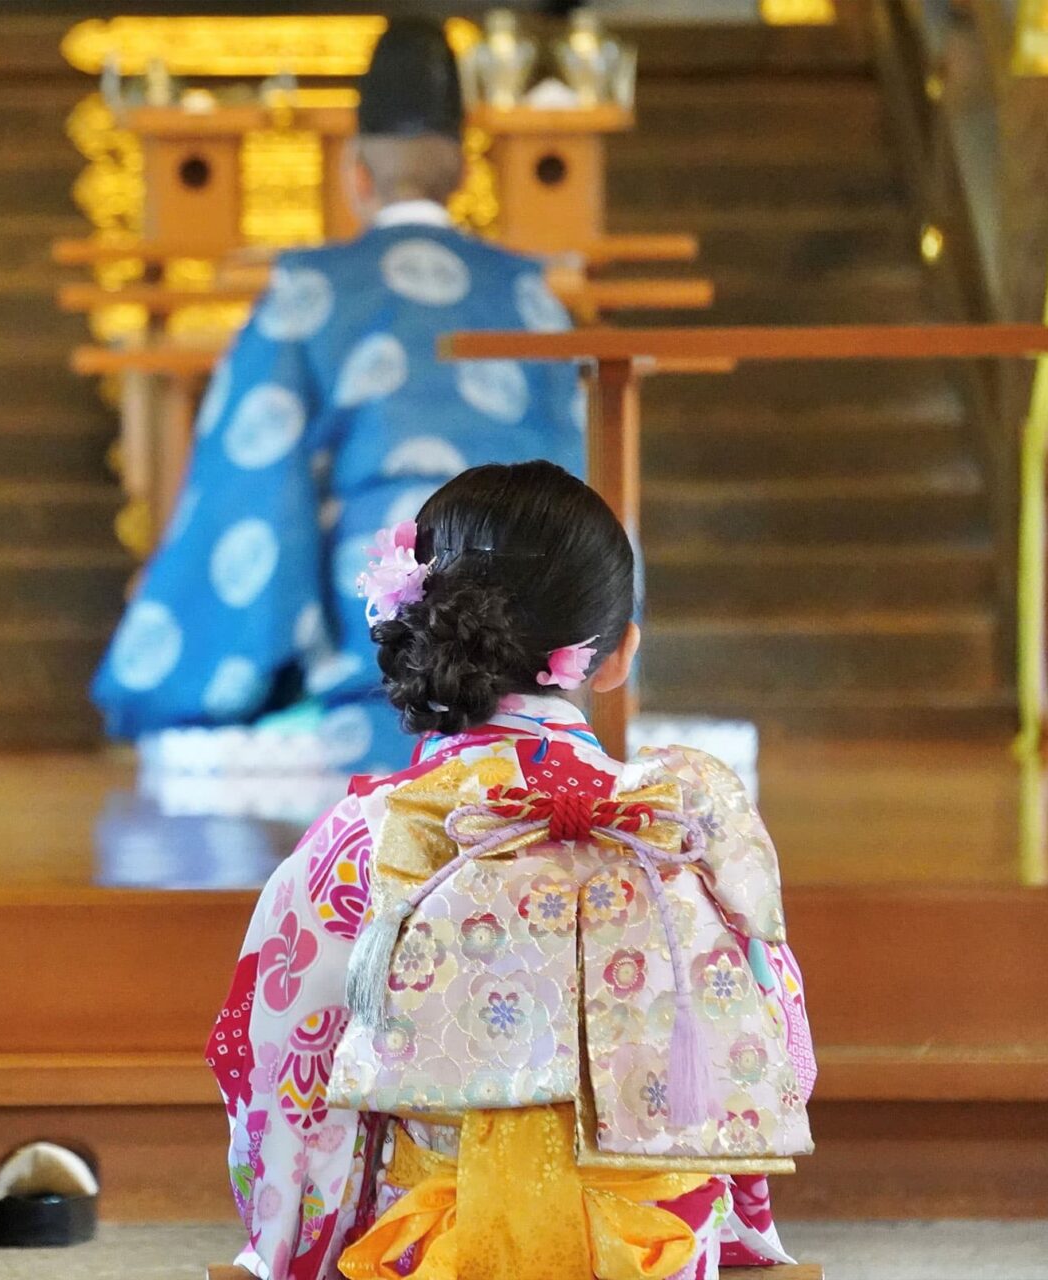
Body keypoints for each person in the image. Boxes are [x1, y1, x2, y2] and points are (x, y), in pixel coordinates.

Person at [206, 463, 812, 1280]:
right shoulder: (685, 833)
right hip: (649, 1252)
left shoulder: (364, 843)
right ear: (617, 654)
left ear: (421, 632)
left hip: (422, 1251)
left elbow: (275, 1072)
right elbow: (776, 1057)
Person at [93, 16, 585, 785]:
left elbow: (252, 479)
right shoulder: (529, 294)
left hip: (378, 629)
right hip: (516, 638)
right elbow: (578, 472)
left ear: (356, 171)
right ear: (464, 169)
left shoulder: (308, 291)